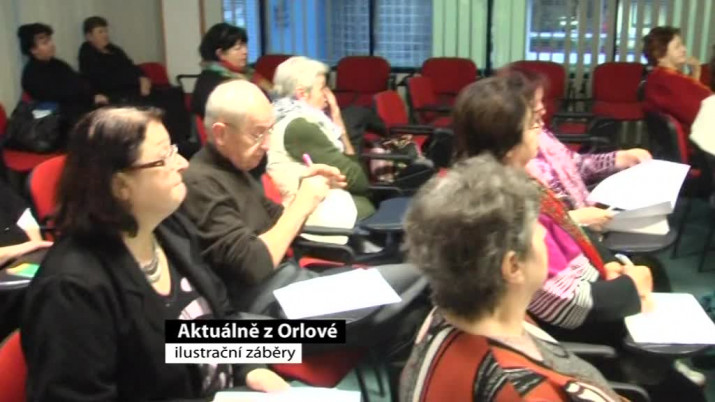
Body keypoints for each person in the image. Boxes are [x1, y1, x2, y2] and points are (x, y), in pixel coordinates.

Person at [452, 77, 706, 398]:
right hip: (568, 330)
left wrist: (609, 265)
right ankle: (650, 369)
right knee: (684, 395)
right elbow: (560, 306)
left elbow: (568, 244)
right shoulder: (505, 207)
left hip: (582, 299)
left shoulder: (514, 182)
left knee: (649, 277)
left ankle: (657, 364)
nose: (541, 128)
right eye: (534, 122)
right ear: (508, 138)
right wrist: (629, 286)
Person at [21, 107, 289, 400]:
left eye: (174, 151)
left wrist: (251, 368)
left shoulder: (167, 228)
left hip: (228, 390)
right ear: (120, 185)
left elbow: (217, 317)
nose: (183, 164)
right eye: (164, 158)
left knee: (317, 335)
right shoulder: (72, 290)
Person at [400, 155, 622, 401]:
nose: (547, 239)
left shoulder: (443, 317)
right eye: (541, 233)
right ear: (513, 266)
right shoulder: (527, 392)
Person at [506, 68, 653, 229]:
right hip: (567, 233)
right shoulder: (505, 172)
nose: (543, 108)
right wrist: (574, 218)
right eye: (535, 103)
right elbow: (525, 228)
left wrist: (621, 158)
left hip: (584, 226)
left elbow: (576, 164)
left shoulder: (541, 136)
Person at [269, 56, 374, 221]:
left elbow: (356, 178)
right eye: (323, 88)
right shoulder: (299, 126)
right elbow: (359, 181)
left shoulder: (286, 115)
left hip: (326, 205)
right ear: (302, 94)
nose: (328, 95)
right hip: (317, 216)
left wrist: (338, 122)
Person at [18, 23, 108, 138]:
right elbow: (60, 96)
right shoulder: (31, 74)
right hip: (58, 122)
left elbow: (80, 82)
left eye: (50, 40)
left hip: (79, 110)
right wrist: (87, 96)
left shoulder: (58, 64)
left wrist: (94, 95)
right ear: (33, 50)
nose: (51, 45)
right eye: (45, 43)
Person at [191, 23, 271, 118]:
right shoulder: (216, 82)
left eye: (245, 46)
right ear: (220, 54)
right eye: (238, 48)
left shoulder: (247, 73)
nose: (245, 52)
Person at [642, 26, 712, 134]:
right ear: (660, 54)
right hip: (698, 138)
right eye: (677, 46)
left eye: (682, 45)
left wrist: (696, 72)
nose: (684, 49)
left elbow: (691, 99)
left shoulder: (658, 77)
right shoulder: (670, 80)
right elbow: (701, 113)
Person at [78, 16, 151, 103]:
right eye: (100, 32)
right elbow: (103, 81)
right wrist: (134, 80)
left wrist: (142, 77)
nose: (105, 35)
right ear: (89, 36)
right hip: (115, 95)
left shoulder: (113, 49)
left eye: (106, 31)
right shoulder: (87, 53)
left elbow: (130, 65)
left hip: (134, 90)